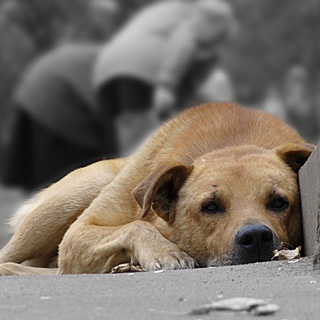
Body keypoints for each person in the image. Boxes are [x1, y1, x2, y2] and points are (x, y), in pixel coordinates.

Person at [93, 0, 236, 130]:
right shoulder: (211, 15)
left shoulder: (166, 9)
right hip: (144, 71)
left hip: (105, 71)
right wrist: (167, 85)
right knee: (144, 144)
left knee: (124, 149)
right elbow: (184, 40)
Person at [1, 44, 108, 190]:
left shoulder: (104, 58)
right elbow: (107, 114)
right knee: (60, 182)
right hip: (52, 97)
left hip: (32, 90)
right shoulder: (111, 70)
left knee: (40, 178)